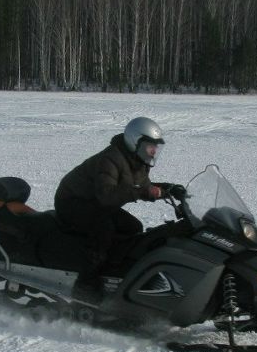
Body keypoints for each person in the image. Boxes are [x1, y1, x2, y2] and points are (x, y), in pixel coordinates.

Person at [55, 117, 171, 302]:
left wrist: (169, 190)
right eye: (150, 146)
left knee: (132, 227)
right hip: (73, 202)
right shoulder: (111, 159)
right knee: (103, 229)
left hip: (97, 203)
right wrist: (143, 191)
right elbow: (107, 195)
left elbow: (143, 186)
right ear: (136, 142)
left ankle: (112, 271)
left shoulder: (137, 161)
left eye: (156, 147)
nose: (154, 151)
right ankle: (86, 284)